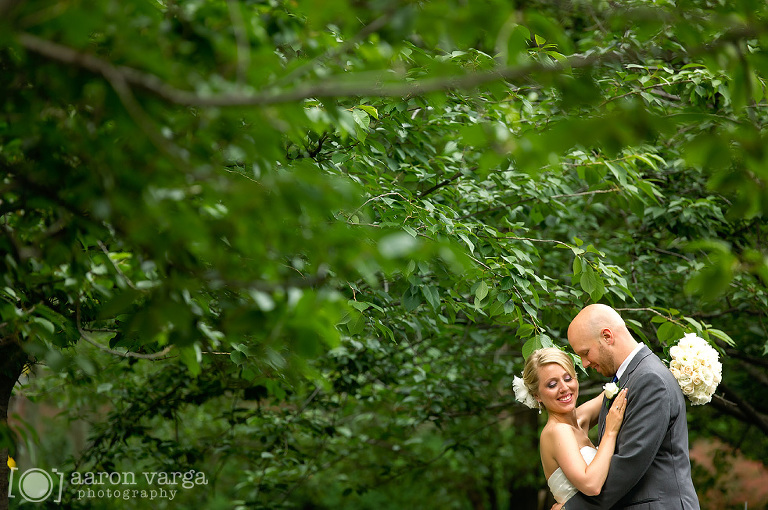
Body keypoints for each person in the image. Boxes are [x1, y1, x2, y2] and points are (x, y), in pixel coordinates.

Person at [564, 303, 700, 509]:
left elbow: (630, 461)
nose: (584, 364)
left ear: (607, 336)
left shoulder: (649, 379)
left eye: (585, 352)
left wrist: (572, 508)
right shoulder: (630, 377)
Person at [516, 348, 628, 507]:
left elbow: (619, 388)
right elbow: (591, 485)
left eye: (568, 378)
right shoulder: (557, 431)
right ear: (537, 395)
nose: (564, 388)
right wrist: (610, 432)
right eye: (552, 384)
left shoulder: (579, 419)